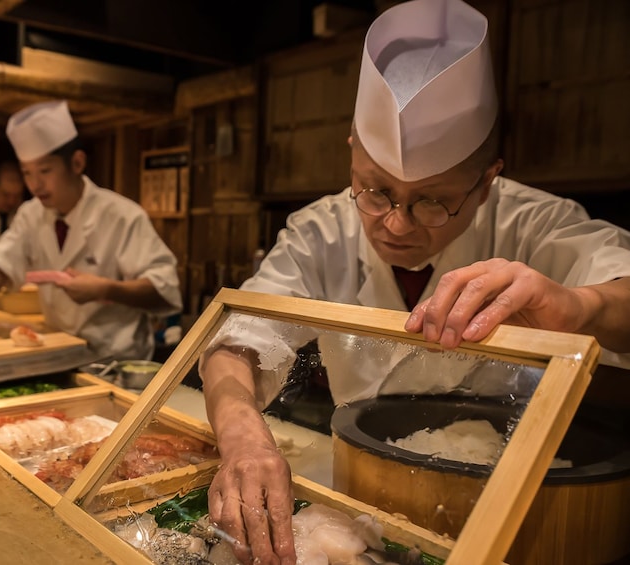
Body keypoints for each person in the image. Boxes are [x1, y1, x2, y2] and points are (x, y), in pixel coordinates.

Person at [199, 0, 630, 563]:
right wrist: (243, 438)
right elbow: (237, 340)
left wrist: (582, 307)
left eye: (434, 201)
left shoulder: (534, 223)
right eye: (374, 191)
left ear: (485, 183)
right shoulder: (319, 231)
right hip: (353, 499)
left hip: (504, 509)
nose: (396, 224)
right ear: (353, 154)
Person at [0, 100, 182, 361]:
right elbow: (0, 260)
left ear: (77, 163)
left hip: (115, 362)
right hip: (58, 352)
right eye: (27, 173)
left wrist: (107, 290)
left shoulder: (122, 215)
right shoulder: (31, 213)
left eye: (45, 170)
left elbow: (165, 289)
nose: (35, 184)